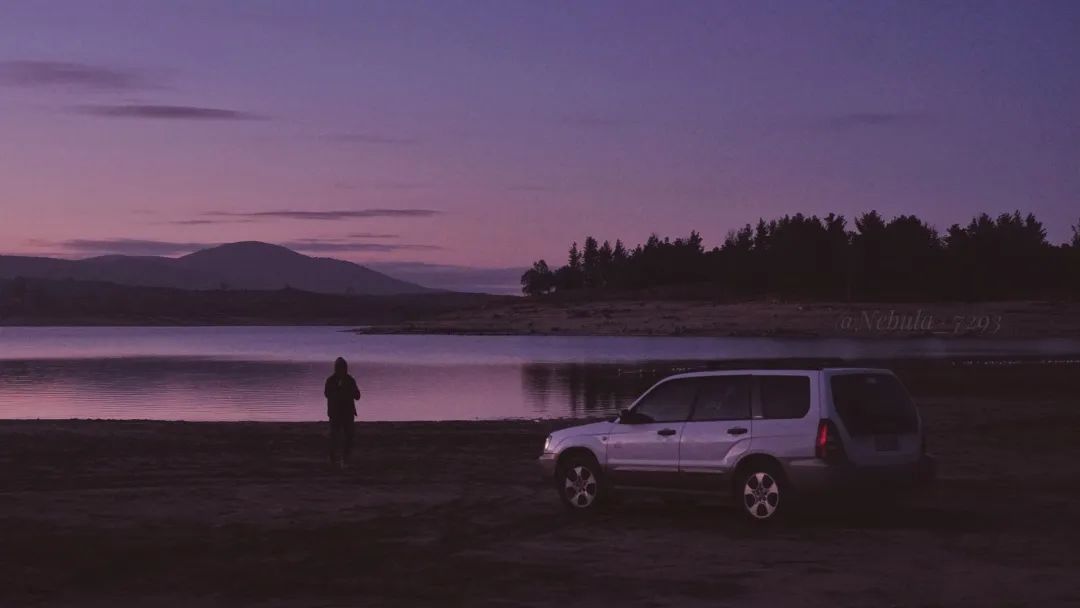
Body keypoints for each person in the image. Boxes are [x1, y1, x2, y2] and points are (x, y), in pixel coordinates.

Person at [324, 357, 361, 469]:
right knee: (334, 436)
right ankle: (333, 458)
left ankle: (344, 459)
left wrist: (348, 391)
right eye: (339, 368)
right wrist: (338, 391)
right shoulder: (331, 380)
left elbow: (358, 396)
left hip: (347, 413)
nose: (341, 370)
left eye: (343, 368)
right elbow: (327, 394)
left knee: (349, 436)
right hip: (335, 413)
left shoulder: (350, 380)